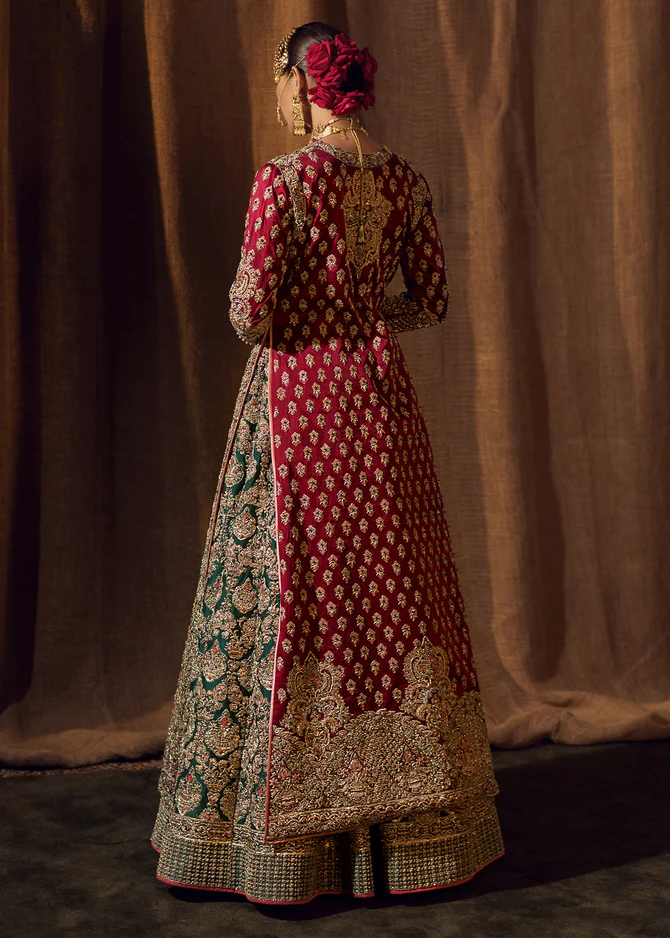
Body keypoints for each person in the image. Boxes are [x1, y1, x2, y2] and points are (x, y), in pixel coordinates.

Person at [151, 21, 505, 904]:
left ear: (302, 82)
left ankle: (287, 846)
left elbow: (248, 314)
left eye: (279, 81)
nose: (277, 98)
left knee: (290, 595)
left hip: (297, 405)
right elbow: (432, 301)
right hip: (381, 409)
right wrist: (364, 319)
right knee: (390, 591)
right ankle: (417, 837)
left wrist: (303, 317)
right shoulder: (404, 179)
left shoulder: (284, 181)